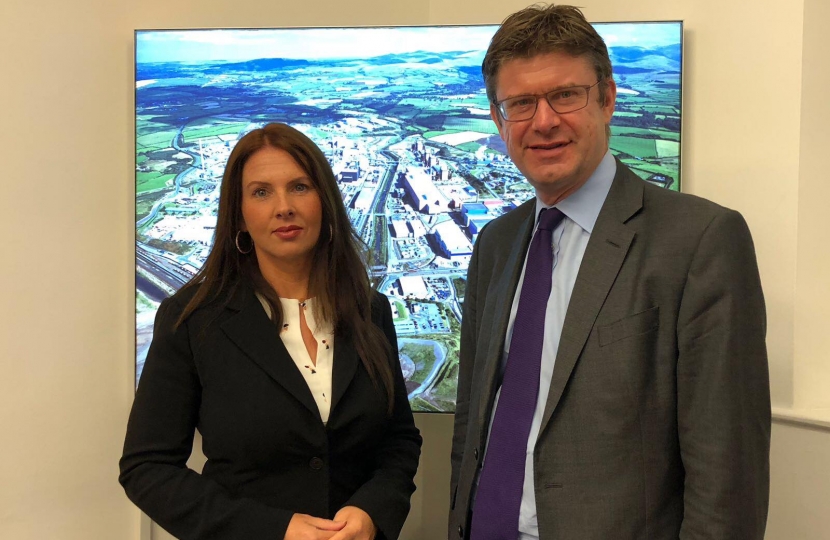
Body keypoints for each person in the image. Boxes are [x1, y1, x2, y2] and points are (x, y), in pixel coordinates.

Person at [449, 5, 770, 540]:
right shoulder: (495, 243)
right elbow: (473, 423)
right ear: (497, 118)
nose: (544, 120)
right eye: (521, 103)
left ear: (608, 99)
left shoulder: (699, 242)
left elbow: (727, 474)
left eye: (566, 95)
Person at [120, 123, 421, 540]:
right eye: (261, 192)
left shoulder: (370, 310)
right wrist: (272, 530)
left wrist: (372, 511)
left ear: (325, 202)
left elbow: (398, 440)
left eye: (300, 187)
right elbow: (146, 468)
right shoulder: (192, 321)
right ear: (239, 215)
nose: (284, 207)